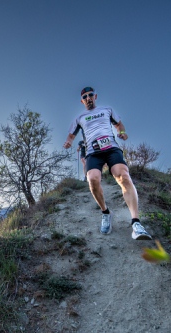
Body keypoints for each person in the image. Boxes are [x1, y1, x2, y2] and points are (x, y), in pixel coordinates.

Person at [63, 86, 152, 240]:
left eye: (90, 95)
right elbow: (71, 135)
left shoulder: (107, 110)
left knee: (123, 176)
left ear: (95, 96)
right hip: (93, 152)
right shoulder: (80, 118)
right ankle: (106, 213)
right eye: (85, 97)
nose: (88, 98)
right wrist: (68, 142)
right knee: (93, 179)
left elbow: (119, 124)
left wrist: (122, 133)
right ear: (81, 101)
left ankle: (136, 223)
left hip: (111, 148)